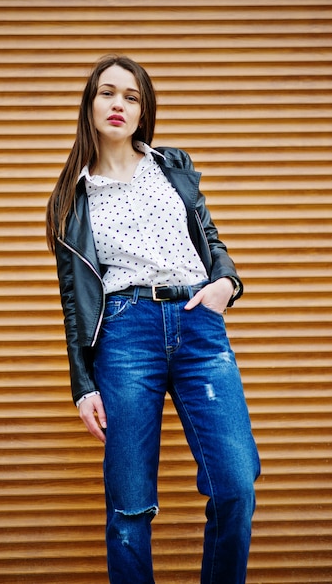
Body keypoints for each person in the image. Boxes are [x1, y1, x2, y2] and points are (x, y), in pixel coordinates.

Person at [46, 54, 260, 584]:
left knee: (236, 484)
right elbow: (74, 303)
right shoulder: (72, 199)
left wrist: (226, 285)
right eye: (107, 92)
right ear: (90, 105)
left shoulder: (173, 167)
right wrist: (82, 384)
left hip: (197, 326)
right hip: (124, 332)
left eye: (132, 96)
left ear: (144, 111)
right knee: (130, 504)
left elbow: (211, 242)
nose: (118, 103)